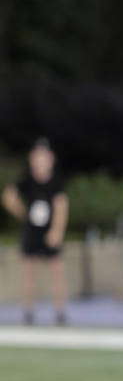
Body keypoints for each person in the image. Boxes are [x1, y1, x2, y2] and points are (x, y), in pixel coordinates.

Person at [1, 138, 69, 325]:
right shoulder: (26, 179)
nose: (40, 160)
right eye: (37, 157)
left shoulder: (56, 180)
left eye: (44, 157)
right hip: (32, 232)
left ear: (50, 159)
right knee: (29, 273)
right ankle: (28, 312)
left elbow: (61, 206)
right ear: (32, 159)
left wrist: (57, 230)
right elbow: (8, 197)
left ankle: (60, 312)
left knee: (57, 271)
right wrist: (22, 213)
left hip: (50, 232)